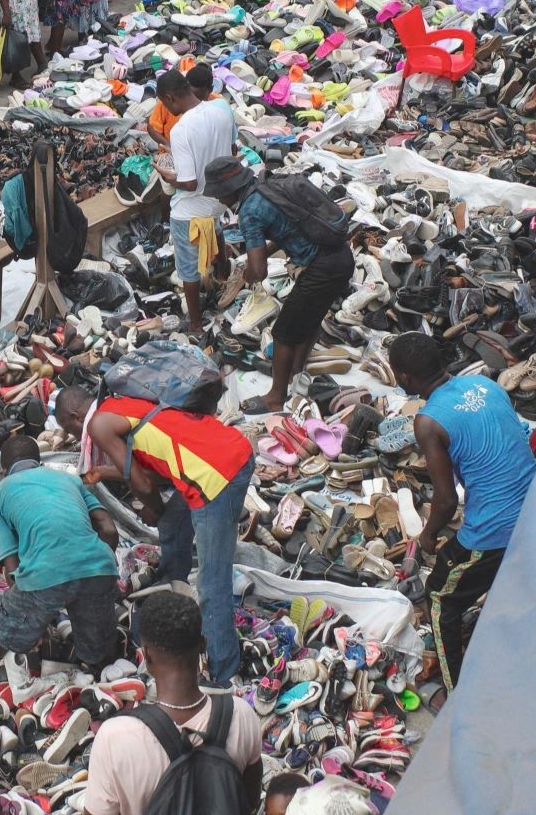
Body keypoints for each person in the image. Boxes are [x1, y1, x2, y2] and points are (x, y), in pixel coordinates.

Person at [55, 387, 254, 688]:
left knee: (213, 583)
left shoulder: (98, 424)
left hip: (214, 477)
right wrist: (107, 475)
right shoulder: (123, 403)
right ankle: (172, 586)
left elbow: (145, 485)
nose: (74, 436)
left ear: (75, 416)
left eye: (70, 429)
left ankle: (223, 673)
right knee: (174, 520)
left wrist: (153, 509)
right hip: (229, 450)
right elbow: (160, 461)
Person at [387, 332, 536, 690]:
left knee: (439, 594)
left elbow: (446, 501)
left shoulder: (428, 421)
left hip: (497, 529)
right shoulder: (484, 385)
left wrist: (426, 536)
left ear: (404, 378)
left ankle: (456, 694)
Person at [82, 592, 261, 815]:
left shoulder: (115, 737)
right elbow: (250, 801)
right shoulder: (241, 714)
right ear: (203, 645)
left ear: (146, 655)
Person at [203, 156, 354, 416]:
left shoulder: (249, 211)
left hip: (321, 268)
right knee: (310, 318)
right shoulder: (268, 186)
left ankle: (276, 396)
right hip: (341, 257)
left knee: (283, 333)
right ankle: (297, 373)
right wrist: (266, 251)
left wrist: (246, 274)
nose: (218, 200)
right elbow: (288, 229)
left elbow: (259, 272)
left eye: (218, 194)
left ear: (228, 191)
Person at [0, 436, 121, 679]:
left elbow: (12, 569)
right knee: (99, 652)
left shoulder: (0, 495)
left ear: (4, 471)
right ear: (39, 462)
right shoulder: (70, 480)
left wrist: (32, 615)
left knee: (0, 633)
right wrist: (101, 567)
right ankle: (100, 687)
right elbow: (108, 529)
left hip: (45, 574)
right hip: (98, 566)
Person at [156, 71, 235, 332]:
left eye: (165, 104)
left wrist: (168, 175)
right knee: (216, 226)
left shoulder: (181, 130)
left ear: (170, 98)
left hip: (191, 208)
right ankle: (223, 274)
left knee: (187, 269)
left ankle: (196, 323)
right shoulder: (221, 109)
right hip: (219, 200)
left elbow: (189, 183)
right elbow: (233, 151)